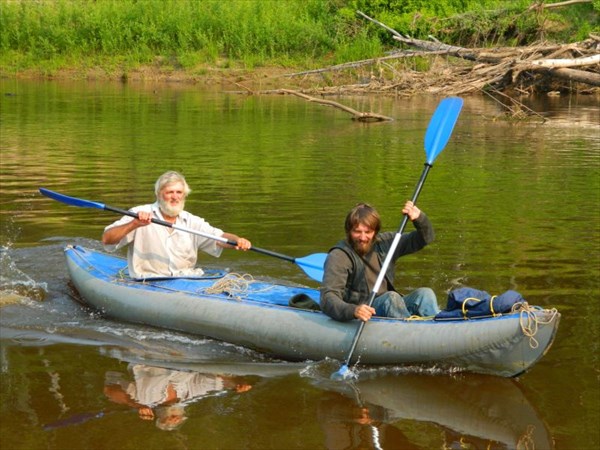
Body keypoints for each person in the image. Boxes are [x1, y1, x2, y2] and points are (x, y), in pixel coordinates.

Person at [102, 170, 251, 279]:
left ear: (184, 195)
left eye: (179, 192)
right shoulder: (139, 213)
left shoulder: (192, 221)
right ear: (159, 194)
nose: (175, 197)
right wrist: (134, 224)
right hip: (148, 281)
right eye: (170, 192)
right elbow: (107, 239)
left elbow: (220, 237)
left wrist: (237, 241)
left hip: (187, 280)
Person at [320, 202, 439, 322]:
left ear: (375, 232)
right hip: (364, 310)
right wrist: (353, 310)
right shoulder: (339, 256)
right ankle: (410, 332)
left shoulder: (386, 243)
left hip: (391, 305)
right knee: (391, 298)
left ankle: (438, 328)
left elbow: (425, 238)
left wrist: (420, 219)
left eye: (368, 232)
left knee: (425, 294)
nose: (362, 237)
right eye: (357, 231)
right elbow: (328, 297)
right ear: (348, 231)